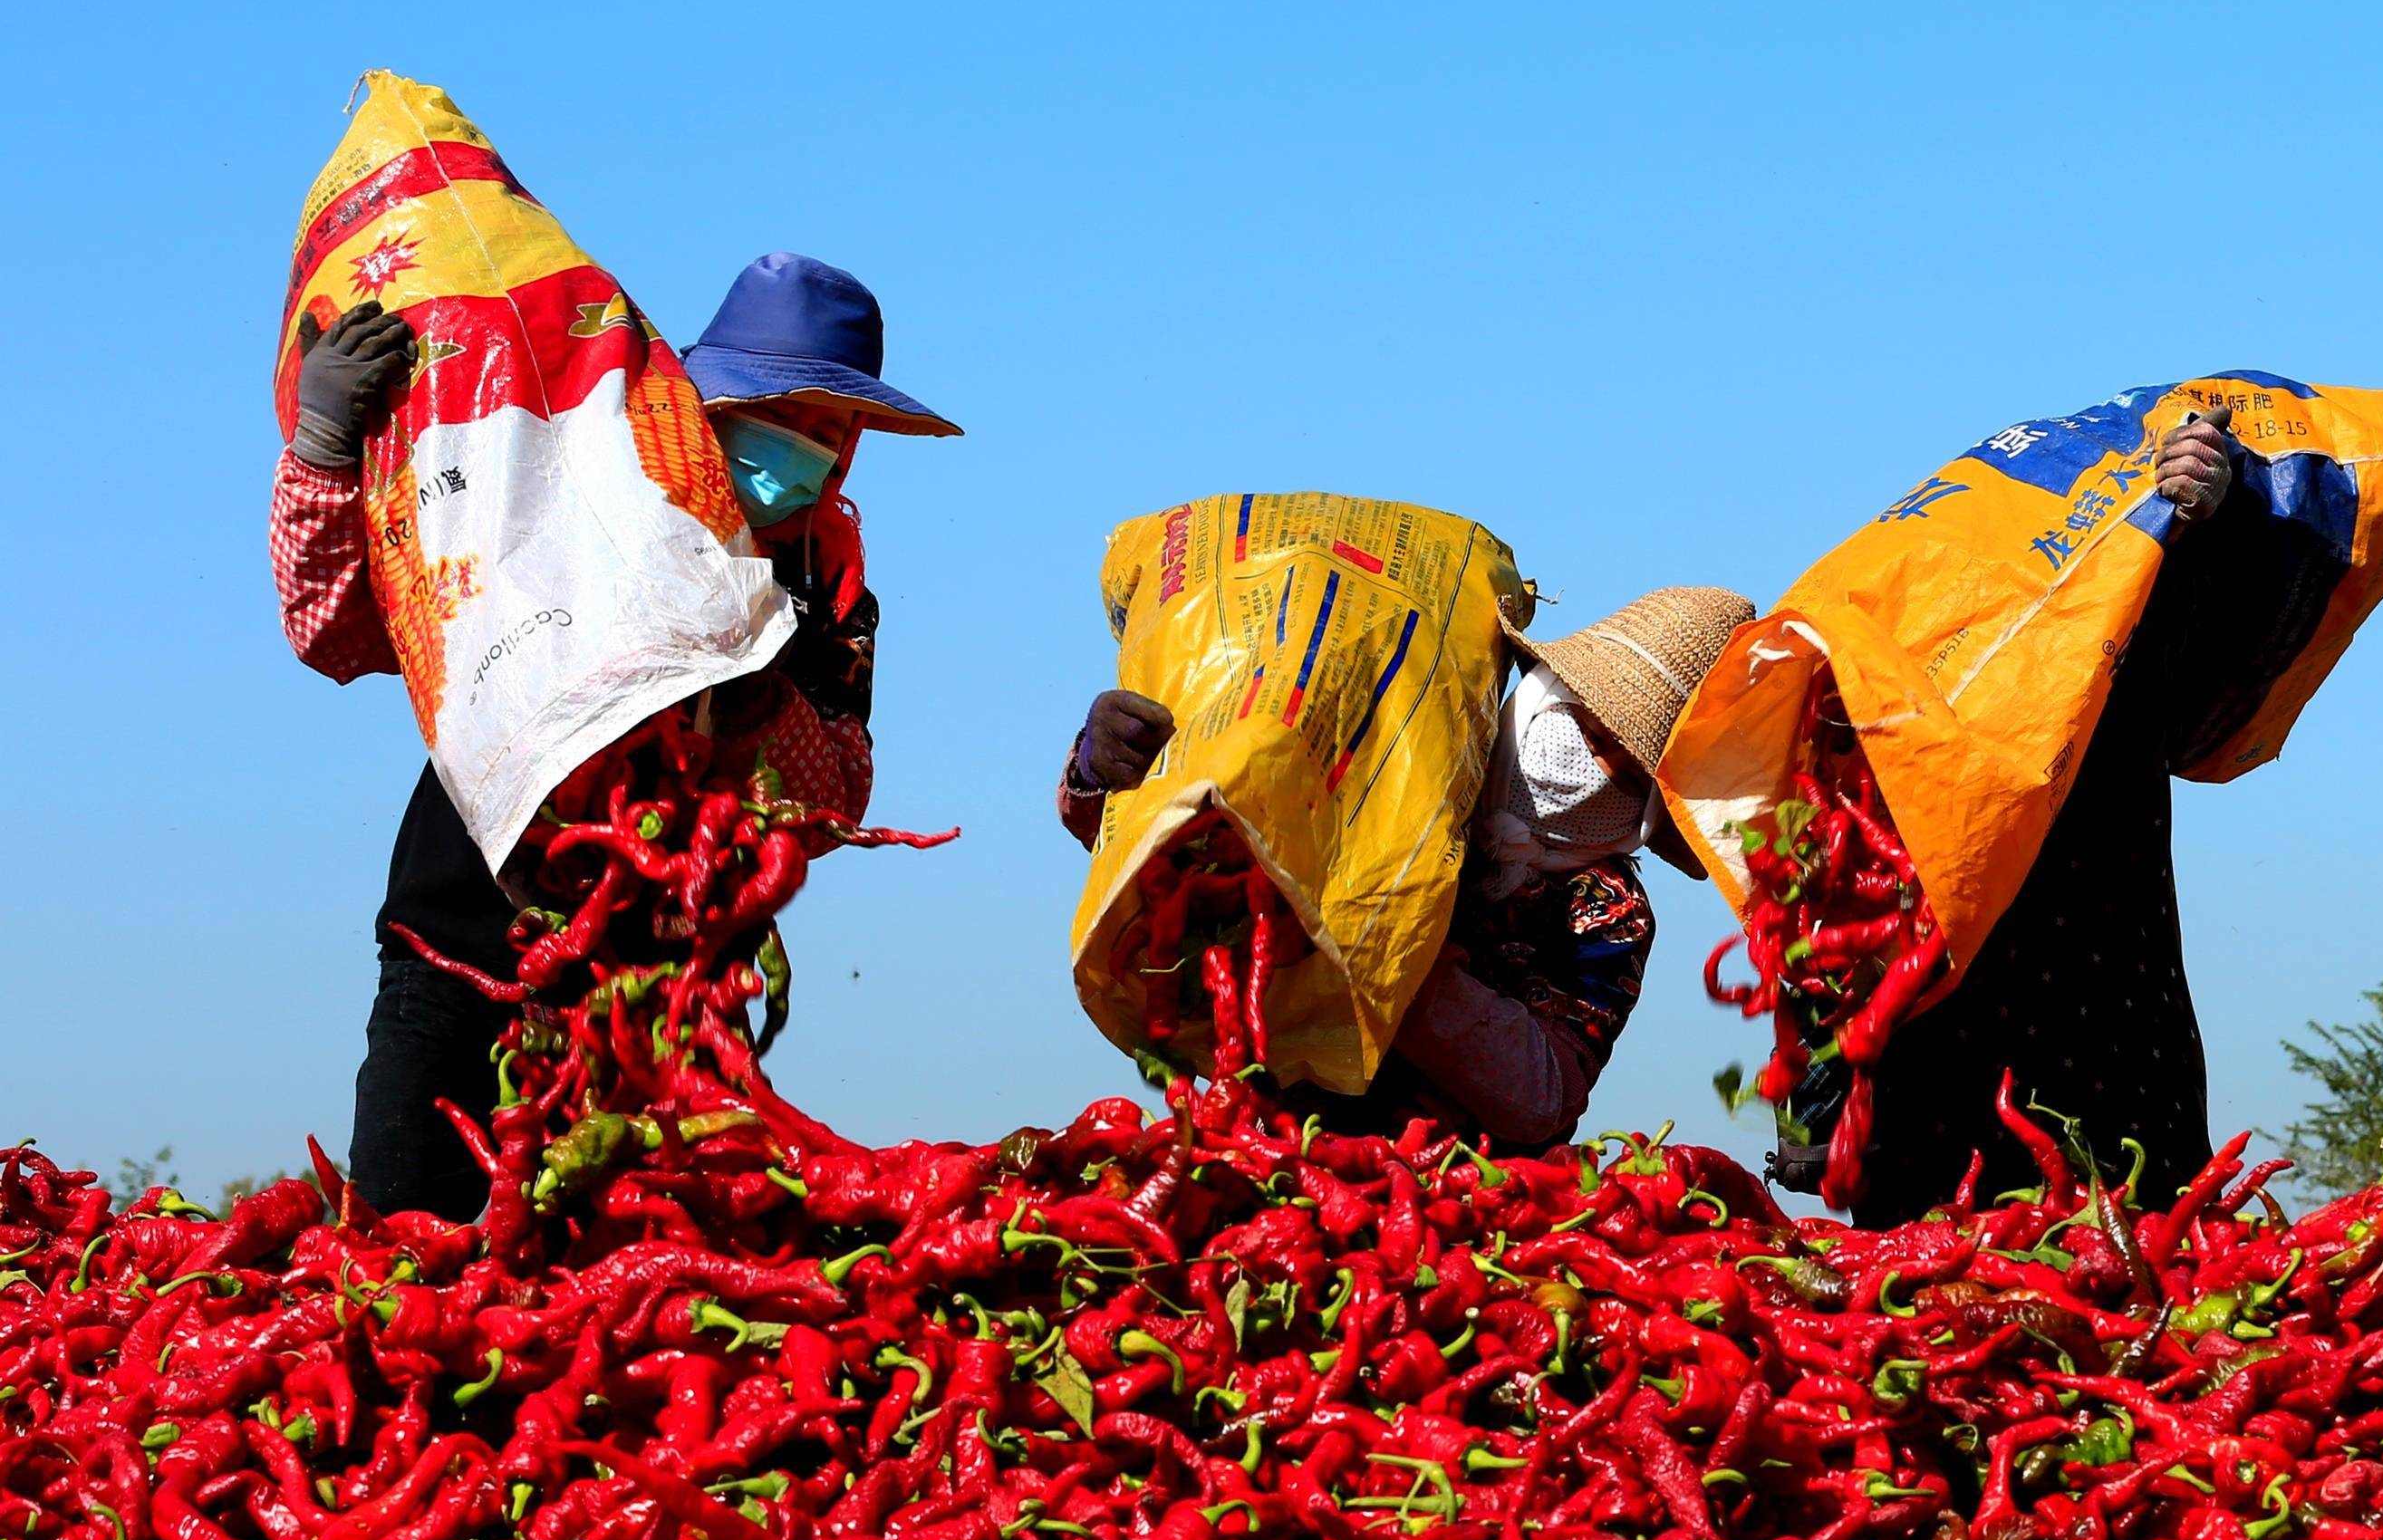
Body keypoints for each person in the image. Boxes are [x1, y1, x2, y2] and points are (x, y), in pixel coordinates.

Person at [275, 252, 956, 1218]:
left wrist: (756, 686)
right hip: (461, 946)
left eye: (827, 430)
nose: (801, 450)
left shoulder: (824, 596)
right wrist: (325, 447)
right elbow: (339, 632)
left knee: (604, 1299)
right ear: (700, 404)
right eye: (777, 417)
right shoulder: (559, 501)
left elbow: (838, 795)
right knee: (405, 1245)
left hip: (656, 1011)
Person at [1785, 407, 2282, 1223]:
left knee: (2129, 1281)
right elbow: (1819, 909)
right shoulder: (1895, 688)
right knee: (1937, 1301)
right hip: (1933, 1094)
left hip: (2114, 1044)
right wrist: (1815, 1105)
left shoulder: (2119, 625)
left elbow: (2221, 678)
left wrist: (2215, 509)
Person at [1057, 586, 1754, 1150]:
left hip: (1451, 1190)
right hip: (1267, 1136)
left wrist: (1396, 956)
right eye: (1591, 730)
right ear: (1543, 693)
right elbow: (1185, 847)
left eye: (1629, 774)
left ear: (1655, 811)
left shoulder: (1604, 909)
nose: (1593, 774)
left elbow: (1542, 1096)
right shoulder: (1411, 751)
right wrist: (1108, 767)